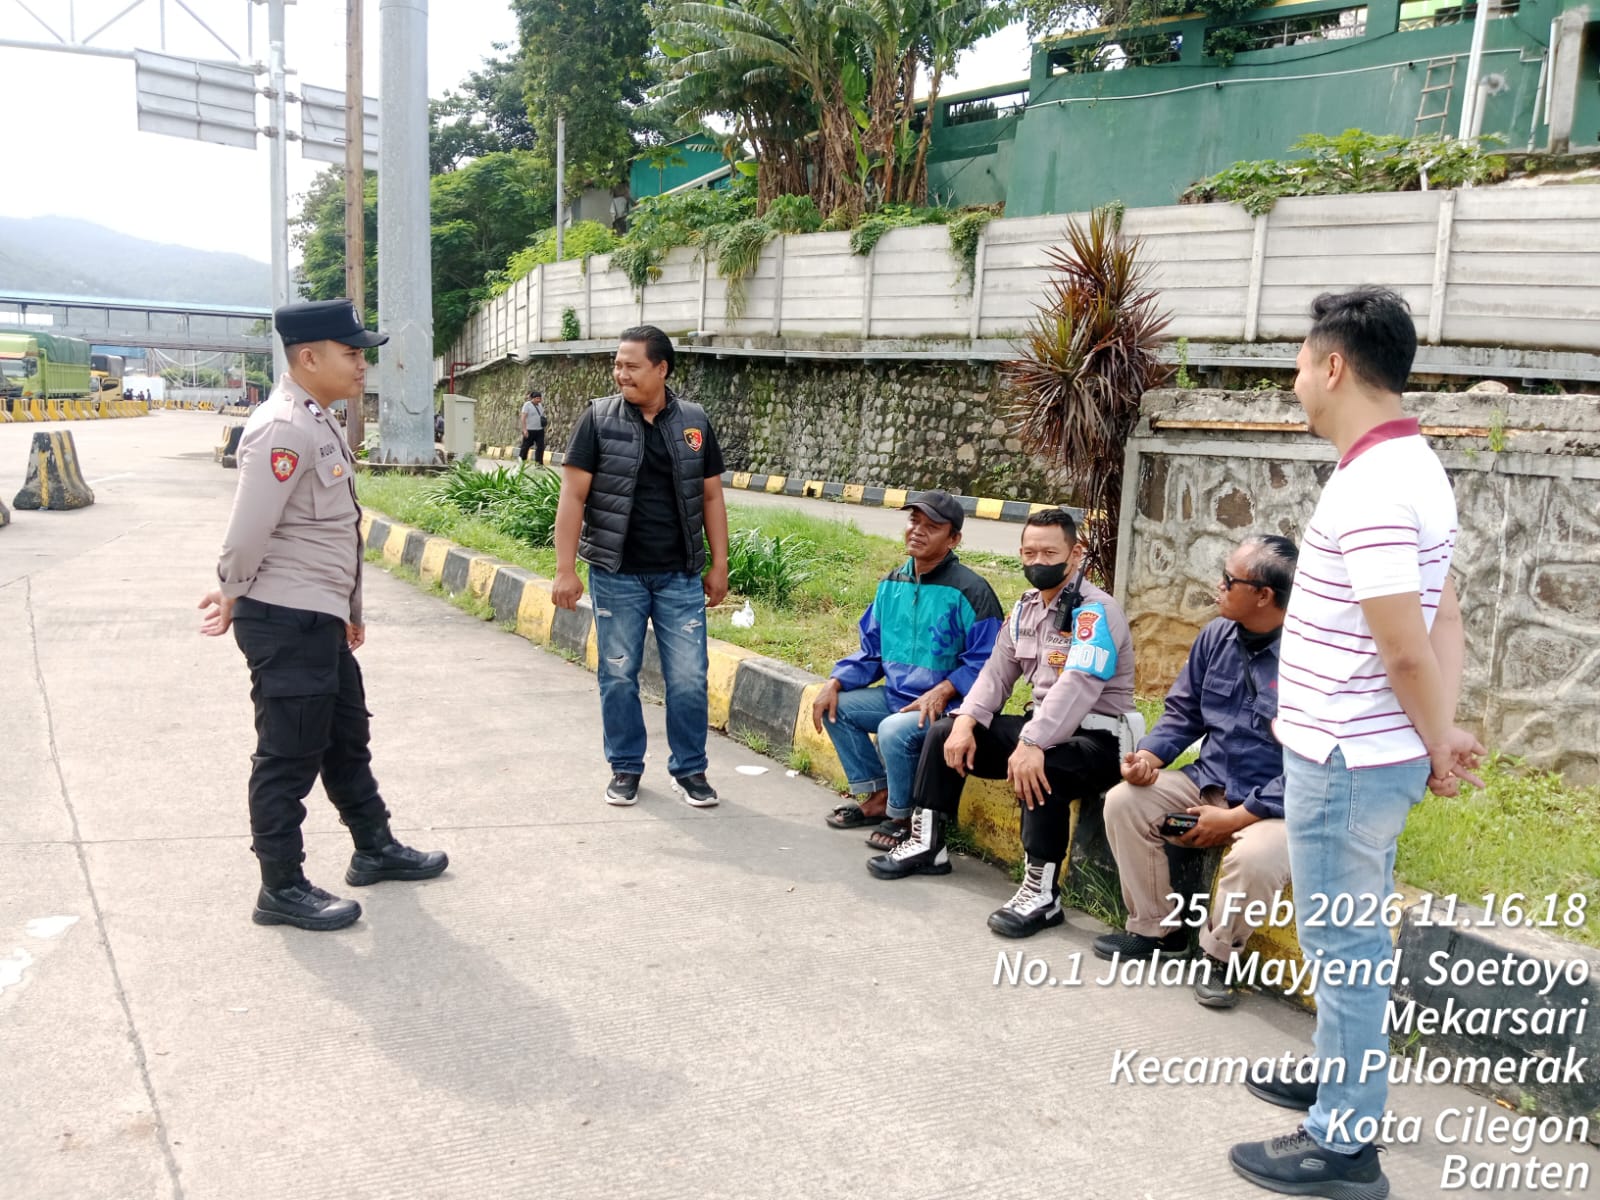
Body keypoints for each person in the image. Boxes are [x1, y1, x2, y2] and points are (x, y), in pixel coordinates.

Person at [1228, 288, 1482, 1200]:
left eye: (1300, 364)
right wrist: (1441, 729)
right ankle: (1340, 1078)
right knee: (1347, 935)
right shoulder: (1411, 465)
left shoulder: (1374, 485)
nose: (1295, 381)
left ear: (1334, 366)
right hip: (1364, 753)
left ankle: (1344, 1145)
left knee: (1345, 946)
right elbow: (1445, 613)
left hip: (1345, 758)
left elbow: (1406, 646)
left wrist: (1439, 739)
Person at [197, 298, 448, 932]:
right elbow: (250, 527)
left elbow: (335, 531)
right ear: (308, 357)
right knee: (288, 756)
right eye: (352, 353)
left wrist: (347, 611)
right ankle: (280, 887)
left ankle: (374, 847)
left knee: (344, 738)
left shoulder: (318, 419)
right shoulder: (284, 426)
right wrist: (229, 590)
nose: (363, 364)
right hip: (285, 616)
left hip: (318, 615)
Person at [868, 508, 1139, 940]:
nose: (1037, 560)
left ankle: (1042, 895)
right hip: (1043, 730)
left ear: (1075, 554)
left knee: (1043, 767)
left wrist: (1032, 742)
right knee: (944, 732)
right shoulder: (1026, 608)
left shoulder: (1095, 613)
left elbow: (1078, 685)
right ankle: (927, 844)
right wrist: (966, 720)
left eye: (1049, 552)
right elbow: (995, 674)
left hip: (1099, 740)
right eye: (1029, 552)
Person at [1096, 534, 1298, 1010]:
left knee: (1256, 859)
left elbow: (1311, 767)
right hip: (1206, 786)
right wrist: (1149, 758)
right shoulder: (1216, 636)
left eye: (1229, 580)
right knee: (1125, 802)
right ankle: (1158, 931)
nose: (1217, 586)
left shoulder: (1310, 661)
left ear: (1263, 595)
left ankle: (1218, 957)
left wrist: (1235, 819)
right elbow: (1183, 713)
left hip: (1273, 807)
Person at [552, 325, 730, 807]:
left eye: (631, 366)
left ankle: (690, 769)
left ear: (661, 368)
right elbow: (573, 496)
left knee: (689, 678)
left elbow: (711, 497)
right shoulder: (597, 419)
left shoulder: (694, 421)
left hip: (680, 575)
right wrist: (565, 569)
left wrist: (719, 564)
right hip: (617, 573)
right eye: (617, 365)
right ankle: (626, 767)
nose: (621, 374)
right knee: (617, 674)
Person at [816, 490, 1003, 851]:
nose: (917, 530)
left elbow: (989, 664)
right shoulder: (891, 585)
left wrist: (946, 689)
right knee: (833, 707)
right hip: (898, 698)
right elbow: (872, 652)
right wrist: (835, 681)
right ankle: (879, 796)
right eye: (914, 521)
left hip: (950, 708)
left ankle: (903, 816)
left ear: (953, 539)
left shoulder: (972, 591)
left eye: (931, 526)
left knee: (893, 730)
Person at [519, 388, 546, 465]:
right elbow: (523, 417)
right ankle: (522, 461)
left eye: (540, 398)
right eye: (537, 398)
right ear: (532, 398)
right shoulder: (527, 405)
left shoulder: (540, 405)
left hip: (539, 430)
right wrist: (524, 429)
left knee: (540, 447)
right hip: (530, 430)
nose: (538, 400)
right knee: (526, 446)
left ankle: (539, 463)